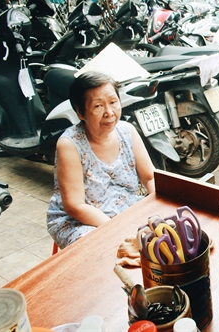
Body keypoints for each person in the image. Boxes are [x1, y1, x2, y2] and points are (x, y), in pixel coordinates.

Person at [47, 71, 155, 249]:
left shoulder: (128, 131)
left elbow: (150, 178)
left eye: (113, 102)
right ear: (80, 112)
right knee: (103, 249)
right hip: (81, 221)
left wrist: (158, 207)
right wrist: (116, 229)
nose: (109, 112)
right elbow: (75, 206)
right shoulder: (70, 145)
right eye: (98, 106)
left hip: (124, 207)